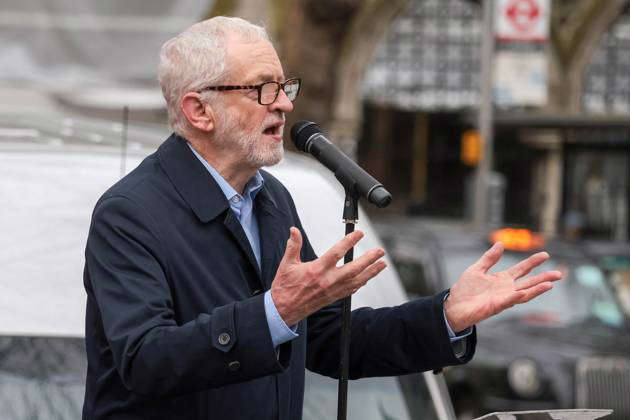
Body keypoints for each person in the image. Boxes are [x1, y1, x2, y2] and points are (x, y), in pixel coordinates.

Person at [82, 16, 562, 420]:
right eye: (262, 90)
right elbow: (145, 360)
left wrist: (444, 316)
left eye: (284, 87)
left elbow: (330, 338)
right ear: (199, 110)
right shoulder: (130, 215)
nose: (286, 105)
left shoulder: (270, 199)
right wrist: (276, 312)